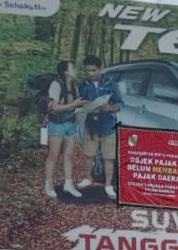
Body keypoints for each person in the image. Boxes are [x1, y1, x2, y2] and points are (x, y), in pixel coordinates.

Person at [77, 54, 124, 200]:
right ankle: (87, 178)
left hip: (107, 125)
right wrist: (86, 107)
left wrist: (109, 108)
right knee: (89, 154)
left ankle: (108, 185)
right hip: (90, 123)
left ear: (100, 69)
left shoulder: (111, 84)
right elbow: (79, 103)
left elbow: (120, 103)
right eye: (88, 71)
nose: (90, 73)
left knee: (108, 157)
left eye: (93, 70)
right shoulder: (84, 85)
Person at [44, 61, 86, 199]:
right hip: (56, 124)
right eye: (72, 68)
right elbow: (54, 107)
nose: (75, 70)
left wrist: (79, 109)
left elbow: (75, 107)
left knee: (69, 155)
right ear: (66, 72)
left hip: (70, 124)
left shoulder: (74, 87)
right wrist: (72, 105)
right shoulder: (56, 85)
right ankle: (48, 183)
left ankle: (68, 183)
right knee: (54, 154)